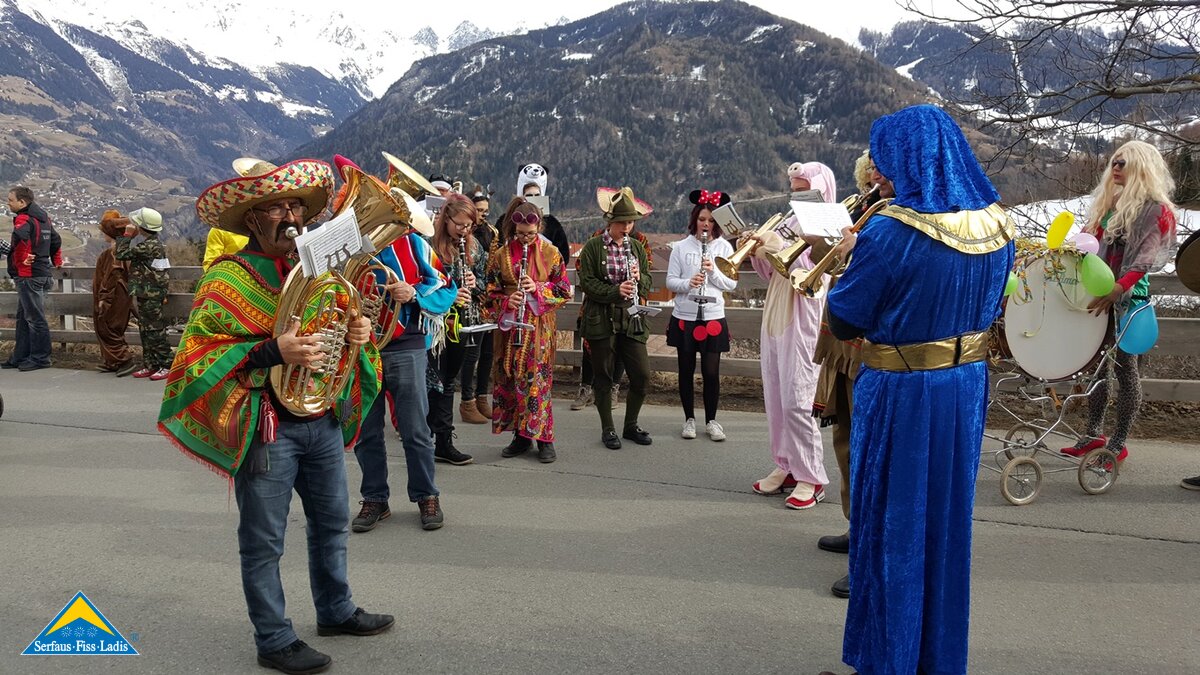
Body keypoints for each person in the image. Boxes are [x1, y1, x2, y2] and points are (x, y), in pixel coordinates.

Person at [158, 157, 393, 675]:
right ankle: (273, 638)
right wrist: (272, 351)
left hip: (320, 418)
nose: (290, 216)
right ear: (251, 218)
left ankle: (335, 610)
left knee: (331, 523)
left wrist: (357, 332)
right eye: (276, 208)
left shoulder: (319, 269)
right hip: (267, 425)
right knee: (264, 541)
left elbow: (340, 328)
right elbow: (196, 355)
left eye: (295, 206)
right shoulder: (227, 276)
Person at [822, 104, 1014, 675]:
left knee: (892, 524)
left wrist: (847, 263)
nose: (880, 173)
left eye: (885, 160)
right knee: (945, 525)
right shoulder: (999, 226)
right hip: (964, 388)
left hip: (901, 391)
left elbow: (845, 319)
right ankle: (935, 659)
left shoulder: (889, 232)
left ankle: (887, 661)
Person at [1060, 140, 1177, 470]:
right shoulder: (1108, 204)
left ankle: (1117, 444)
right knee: (1097, 366)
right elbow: (1087, 245)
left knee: (1126, 371)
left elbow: (1145, 259)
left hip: (1128, 300)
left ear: (1140, 166)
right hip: (1099, 297)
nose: (1115, 167)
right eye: (1114, 161)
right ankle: (1093, 434)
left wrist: (1119, 288)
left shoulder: (1154, 209)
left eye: (1122, 163)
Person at [351, 178, 458, 533]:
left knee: (415, 429)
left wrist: (413, 293)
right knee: (366, 431)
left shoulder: (414, 243)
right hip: (361, 347)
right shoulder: (350, 246)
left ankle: (427, 495)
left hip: (405, 343)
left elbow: (444, 284)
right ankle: (374, 498)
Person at [814, 153, 896, 599]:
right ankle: (854, 525)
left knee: (868, 448)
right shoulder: (865, 206)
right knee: (845, 439)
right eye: (872, 167)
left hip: (872, 349)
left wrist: (853, 250)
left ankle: (870, 550)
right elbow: (827, 262)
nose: (875, 175)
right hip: (843, 343)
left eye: (884, 168)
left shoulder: (898, 218)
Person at [747, 162, 837, 510]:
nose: (797, 195)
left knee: (799, 398)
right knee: (776, 392)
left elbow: (815, 275)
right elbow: (771, 273)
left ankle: (811, 477)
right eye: (795, 189)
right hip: (777, 309)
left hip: (803, 314)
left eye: (804, 189)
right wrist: (758, 250)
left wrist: (772, 245)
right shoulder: (789, 220)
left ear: (821, 189)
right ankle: (786, 464)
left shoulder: (829, 222)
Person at [485, 197, 571, 462]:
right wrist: (505, 301)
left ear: (539, 228)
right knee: (511, 378)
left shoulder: (551, 253)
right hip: (510, 328)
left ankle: (544, 439)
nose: (525, 239)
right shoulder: (500, 255)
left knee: (537, 382)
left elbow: (564, 290)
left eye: (531, 234)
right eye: (521, 234)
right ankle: (521, 436)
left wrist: (538, 289)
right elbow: (489, 292)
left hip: (539, 329)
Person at [577, 187, 653, 449]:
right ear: (610, 222)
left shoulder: (637, 247)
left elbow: (648, 281)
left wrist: (640, 279)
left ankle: (631, 425)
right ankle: (608, 428)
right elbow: (587, 282)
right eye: (622, 222)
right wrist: (614, 291)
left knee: (641, 375)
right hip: (602, 317)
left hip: (631, 317)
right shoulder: (593, 247)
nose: (627, 227)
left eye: (630, 222)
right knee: (603, 376)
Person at [664, 189, 737, 441]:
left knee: (711, 372)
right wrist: (688, 283)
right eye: (702, 219)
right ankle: (689, 420)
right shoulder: (681, 247)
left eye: (711, 220)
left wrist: (713, 271)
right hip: (685, 315)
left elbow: (731, 284)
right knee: (685, 370)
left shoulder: (724, 247)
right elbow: (671, 281)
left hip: (713, 316)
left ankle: (712, 421)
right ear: (695, 219)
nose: (706, 224)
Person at [426, 193, 480, 466]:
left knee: (448, 382)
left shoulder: (474, 248)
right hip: (434, 324)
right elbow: (422, 284)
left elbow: (486, 283)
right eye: (459, 224)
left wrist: (475, 281)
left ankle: (443, 442)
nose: (464, 231)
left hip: (461, 325)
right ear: (445, 219)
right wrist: (450, 295)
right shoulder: (428, 246)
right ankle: (426, 437)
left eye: (468, 226)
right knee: (432, 382)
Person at [2, 186, 61, 372]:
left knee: (35, 319)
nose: (8, 203)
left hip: (29, 275)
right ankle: (20, 356)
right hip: (42, 272)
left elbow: (21, 238)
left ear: (22, 202)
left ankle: (40, 358)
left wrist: (22, 260)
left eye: (10, 200)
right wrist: (56, 260)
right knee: (24, 318)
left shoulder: (24, 219)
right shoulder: (44, 218)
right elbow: (56, 239)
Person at [116, 207, 173, 381]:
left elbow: (121, 253)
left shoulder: (148, 246)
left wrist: (127, 234)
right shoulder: (154, 244)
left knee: (154, 331)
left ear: (142, 227)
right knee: (146, 330)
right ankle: (151, 364)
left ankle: (167, 364)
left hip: (150, 294)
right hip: (148, 293)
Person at [457, 185, 497, 425]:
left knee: (487, 352)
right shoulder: (461, 240)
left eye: (485, 211)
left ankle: (482, 397)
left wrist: (480, 284)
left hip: (483, 300)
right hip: (464, 305)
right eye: (479, 211)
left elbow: (484, 272)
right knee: (470, 354)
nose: (483, 215)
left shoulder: (488, 234)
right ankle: (468, 400)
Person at [93, 210, 136, 376]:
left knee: (108, 327)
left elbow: (111, 276)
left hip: (114, 295)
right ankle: (113, 361)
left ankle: (124, 359)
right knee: (113, 326)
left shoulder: (113, 253)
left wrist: (104, 298)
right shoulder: (120, 250)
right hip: (120, 294)